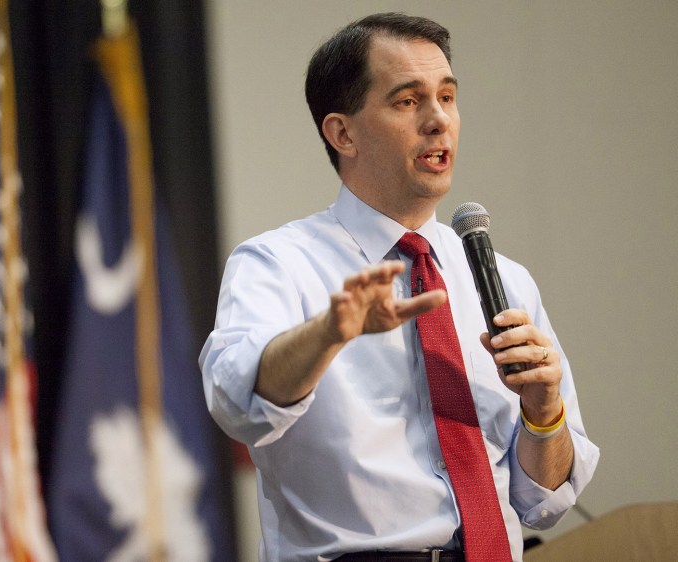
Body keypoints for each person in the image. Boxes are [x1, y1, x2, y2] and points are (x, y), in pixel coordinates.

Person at [199, 12, 599, 562]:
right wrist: (328, 333)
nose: (439, 121)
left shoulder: (506, 280)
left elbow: (543, 503)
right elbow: (237, 403)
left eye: (448, 97)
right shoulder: (278, 263)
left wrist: (543, 409)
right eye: (408, 102)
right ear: (342, 132)